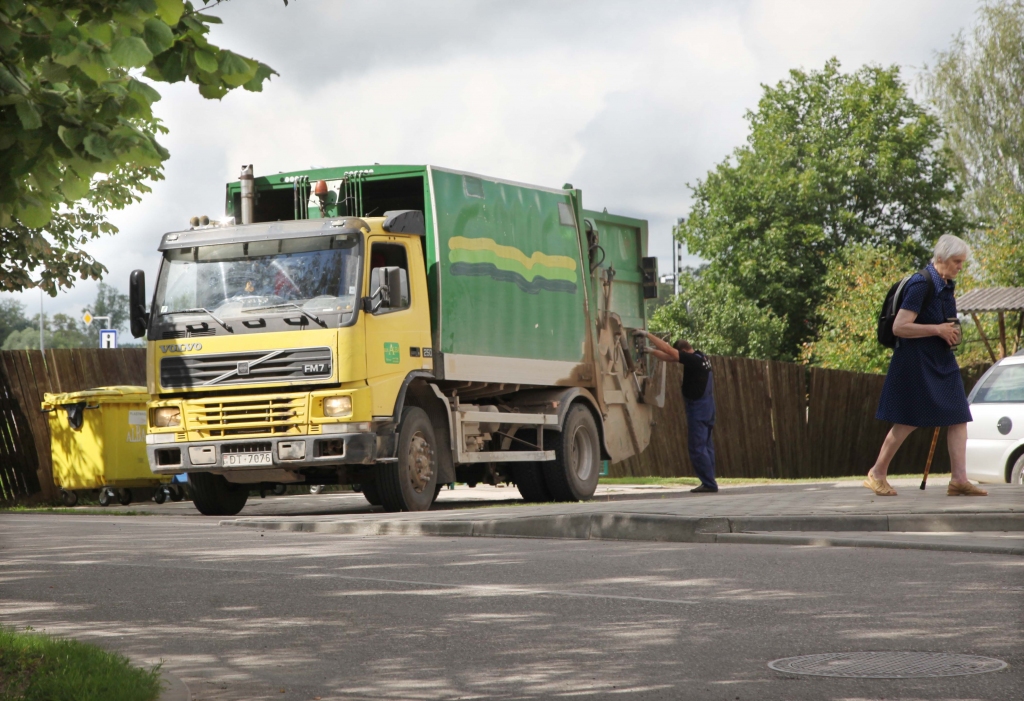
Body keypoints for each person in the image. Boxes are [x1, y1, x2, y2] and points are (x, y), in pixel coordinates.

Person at [866, 234, 987, 497]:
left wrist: (950, 333)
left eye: (962, 262)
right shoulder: (922, 283)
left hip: (942, 359)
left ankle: (959, 480)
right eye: (956, 261)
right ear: (941, 258)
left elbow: (944, 323)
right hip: (916, 361)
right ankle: (877, 473)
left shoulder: (946, 284)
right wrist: (937, 329)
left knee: (958, 415)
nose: (960, 267)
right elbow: (900, 327)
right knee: (908, 420)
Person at [637, 331, 718, 493]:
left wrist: (647, 335)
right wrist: (650, 351)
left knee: (697, 447)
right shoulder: (701, 357)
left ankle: (709, 484)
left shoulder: (693, 360)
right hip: (708, 408)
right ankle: (710, 479)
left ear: (683, 351)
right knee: (706, 447)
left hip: (698, 409)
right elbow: (670, 357)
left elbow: (669, 350)